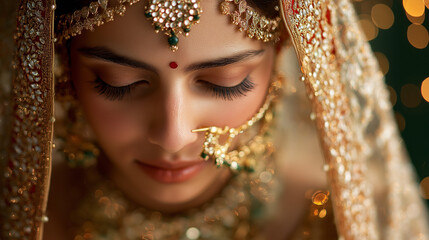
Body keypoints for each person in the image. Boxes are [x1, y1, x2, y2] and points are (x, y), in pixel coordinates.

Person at [1, 0, 428, 239]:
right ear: (60, 70)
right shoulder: (17, 218)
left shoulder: (353, 220)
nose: (173, 137)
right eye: (118, 83)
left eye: (227, 83)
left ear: (282, 59)